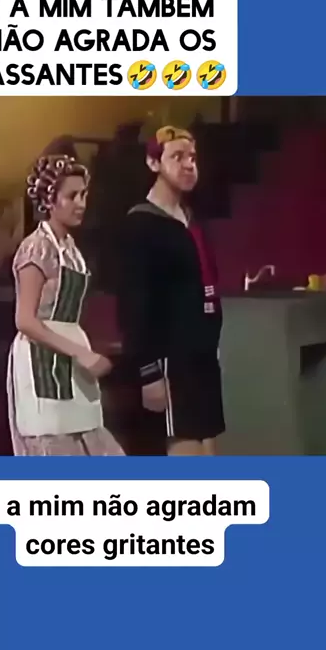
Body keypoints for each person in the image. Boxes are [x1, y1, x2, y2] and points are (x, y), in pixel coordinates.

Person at [7, 154, 125, 456]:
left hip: (71, 358)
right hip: (41, 359)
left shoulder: (70, 249)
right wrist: (81, 353)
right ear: (50, 200)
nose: (81, 203)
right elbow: (25, 320)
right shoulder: (36, 248)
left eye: (84, 195)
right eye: (72, 196)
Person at [117, 125, 225, 456]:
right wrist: (148, 373)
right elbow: (134, 306)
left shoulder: (191, 220)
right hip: (170, 363)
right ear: (154, 163)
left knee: (209, 460)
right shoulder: (141, 225)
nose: (189, 164)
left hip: (202, 359)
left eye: (192, 157)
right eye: (177, 157)